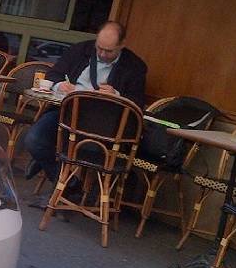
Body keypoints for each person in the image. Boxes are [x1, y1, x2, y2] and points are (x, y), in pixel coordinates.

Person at [24, 21, 147, 183]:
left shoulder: (135, 66)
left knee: (87, 154)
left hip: (105, 127)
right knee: (34, 139)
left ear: (122, 45)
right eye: (99, 48)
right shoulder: (80, 50)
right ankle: (68, 183)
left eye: (108, 51)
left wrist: (117, 95)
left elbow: (138, 104)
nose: (102, 54)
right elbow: (53, 75)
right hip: (65, 114)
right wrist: (61, 85)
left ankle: (60, 178)